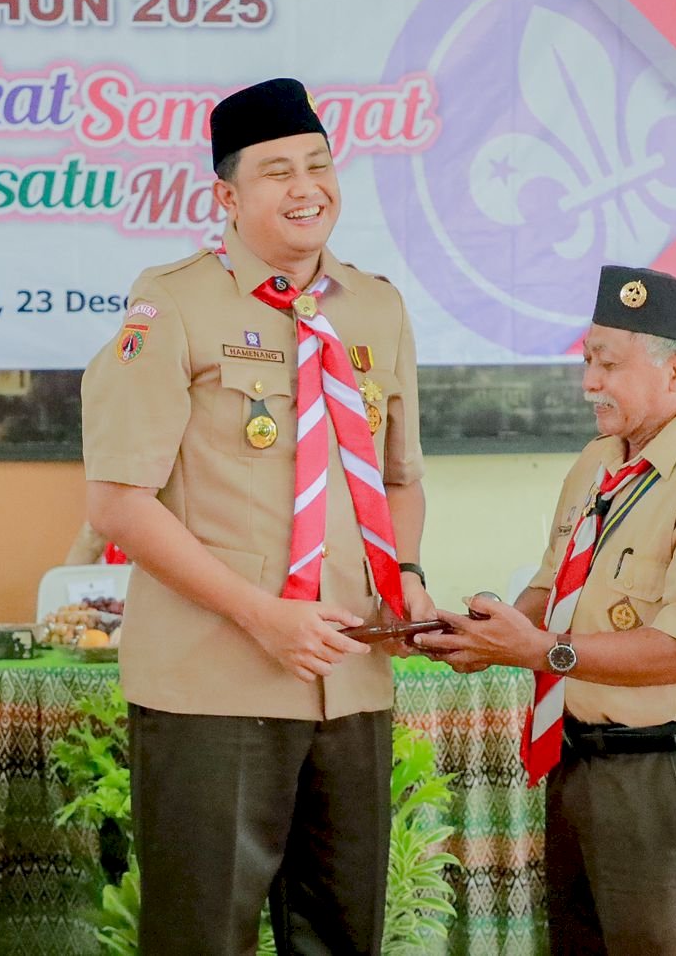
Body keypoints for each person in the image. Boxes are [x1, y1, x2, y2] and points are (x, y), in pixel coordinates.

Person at [81, 77, 434, 955]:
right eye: (278, 171)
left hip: (350, 677)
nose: (306, 186)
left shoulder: (378, 306)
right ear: (227, 197)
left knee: (344, 937)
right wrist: (261, 615)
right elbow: (118, 502)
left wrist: (409, 579)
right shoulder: (173, 305)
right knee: (203, 938)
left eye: (319, 165)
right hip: (214, 684)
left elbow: (400, 481)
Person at [418, 265, 676, 956]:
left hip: (669, 775)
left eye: (608, 364)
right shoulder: (598, 462)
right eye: (588, 360)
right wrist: (482, 630)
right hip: (580, 763)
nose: (589, 382)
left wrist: (535, 651)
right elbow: (555, 587)